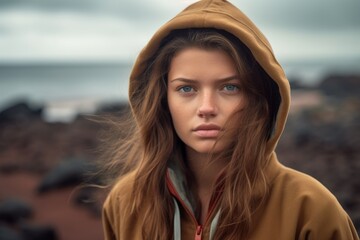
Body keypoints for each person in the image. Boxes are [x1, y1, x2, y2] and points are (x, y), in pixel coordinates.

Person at [102, 0, 359, 239]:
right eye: (186, 89)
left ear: (258, 99)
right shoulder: (125, 203)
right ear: (162, 98)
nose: (207, 108)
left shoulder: (310, 209)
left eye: (229, 88)